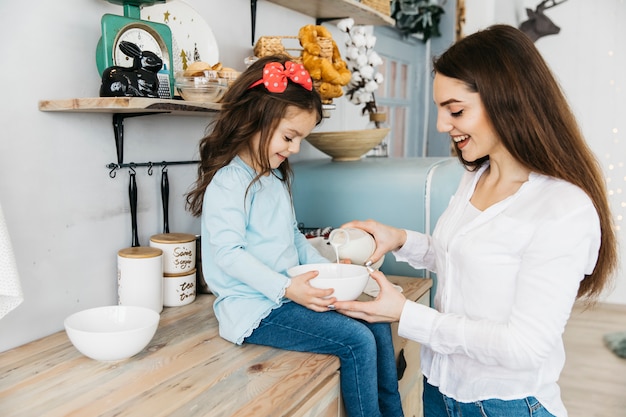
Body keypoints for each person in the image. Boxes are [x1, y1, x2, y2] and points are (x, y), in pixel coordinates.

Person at [333, 25, 617, 417]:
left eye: (456, 110)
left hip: (508, 405)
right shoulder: (476, 175)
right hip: (441, 393)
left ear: (508, 100)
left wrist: (406, 314)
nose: (442, 125)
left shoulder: (562, 208)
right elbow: (464, 258)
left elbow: (525, 345)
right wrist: (398, 238)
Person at [185, 55, 404, 417]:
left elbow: (293, 239)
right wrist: (288, 289)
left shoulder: (273, 178)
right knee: (356, 341)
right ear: (256, 118)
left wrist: (330, 274)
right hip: (254, 308)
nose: (296, 148)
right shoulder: (229, 183)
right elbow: (228, 254)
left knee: (376, 320)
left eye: (301, 138)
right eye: (290, 136)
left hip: (288, 296)